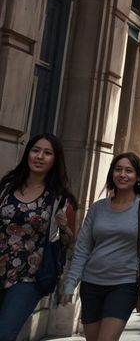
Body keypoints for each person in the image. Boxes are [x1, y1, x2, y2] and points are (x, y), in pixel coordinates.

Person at [61, 152, 140, 341]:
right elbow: (82, 249)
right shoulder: (97, 208)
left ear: (137, 177)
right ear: (112, 174)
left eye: (129, 171)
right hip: (91, 284)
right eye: (118, 169)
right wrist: (70, 282)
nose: (122, 174)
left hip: (124, 284)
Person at [0, 133, 78, 341]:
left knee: (5, 334)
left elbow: (68, 241)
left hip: (29, 276)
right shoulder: (6, 188)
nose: (40, 156)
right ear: (28, 154)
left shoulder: (61, 199)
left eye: (47, 153)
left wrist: (64, 228)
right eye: (36, 150)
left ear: (55, 159)